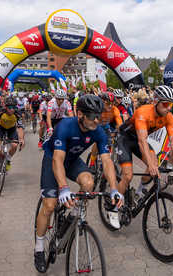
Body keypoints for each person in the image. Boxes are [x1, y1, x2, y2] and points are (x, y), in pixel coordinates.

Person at [34, 95, 123, 273]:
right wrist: (64, 188)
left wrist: (114, 188)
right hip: (54, 159)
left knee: (89, 183)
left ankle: (73, 216)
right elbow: (58, 160)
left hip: (73, 160)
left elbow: (106, 162)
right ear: (80, 114)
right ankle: (39, 248)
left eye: (99, 116)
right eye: (92, 116)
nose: (97, 120)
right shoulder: (65, 126)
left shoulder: (98, 130)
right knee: (50, 205)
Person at [117, 85, 173, 207]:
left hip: (139, 140)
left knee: (154, 165)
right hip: (125, 139)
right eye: (165, 104)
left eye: (171, 104)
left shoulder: (169, 117)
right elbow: (142, 141)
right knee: (128, 176)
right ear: (156, 101)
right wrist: (150, 163)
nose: (169, 108)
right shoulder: (143, 112)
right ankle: (114, 205)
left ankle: (138, 193)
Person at [0, 97, 25, 176]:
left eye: (14, 107)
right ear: (5, 107)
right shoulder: (0, 112)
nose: (12, 109)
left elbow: (20, 128)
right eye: (10, 107)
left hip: (11, 129)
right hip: (0, 128)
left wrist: (22, 139)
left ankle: (8, 159)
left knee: (15, 145)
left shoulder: (17, 114)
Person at [88, 92, 123, 167]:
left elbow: (119, 122)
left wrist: (120, 129)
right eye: (108, 103)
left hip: (105, 125)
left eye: (112, 103)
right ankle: (92, 163)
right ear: (102, 102)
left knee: (110, 142)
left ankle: (105, 162)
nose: (110, 105)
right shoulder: (97, 108)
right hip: (96, 125)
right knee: (98, 142)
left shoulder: (114, 109)